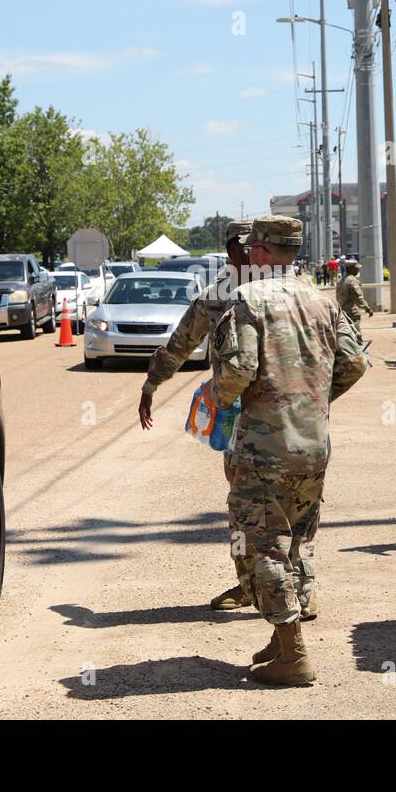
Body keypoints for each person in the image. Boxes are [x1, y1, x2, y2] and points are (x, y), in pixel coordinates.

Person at [210, 215, 367, 685]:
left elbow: (237, 372)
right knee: (296, 542)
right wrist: (311, 401)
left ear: (258, 252)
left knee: (262, 546)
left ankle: (294, 655)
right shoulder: (322, 300)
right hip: (312, 445)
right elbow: (355, 363)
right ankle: (281, 641)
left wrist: (217, 401)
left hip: (264, 447)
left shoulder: (247, 300)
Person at [139, 220, 256, 611]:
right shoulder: (223, 294)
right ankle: (268, 588)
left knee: (265, 505)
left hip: (259, 417)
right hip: (246, 420)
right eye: (242, 248)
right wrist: (152, 383)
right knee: (263, 503)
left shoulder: (280, 291)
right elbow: (181, 342)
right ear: (231, 252)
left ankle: (280, 590)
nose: (247, 253)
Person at [335, 259, 373, 329]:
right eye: (356, 268)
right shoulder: (352, 281)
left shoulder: (341, 280)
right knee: (355, 334)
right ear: (351, 269)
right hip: (352, 312)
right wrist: (367, 308)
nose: (358, 270)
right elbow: (358, 298)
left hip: (343, 312)